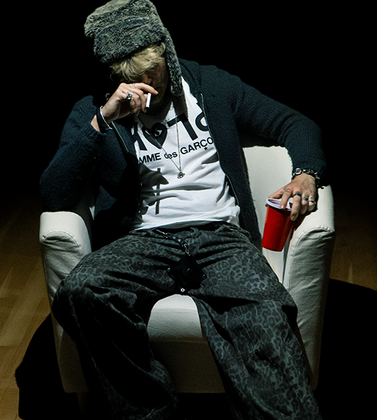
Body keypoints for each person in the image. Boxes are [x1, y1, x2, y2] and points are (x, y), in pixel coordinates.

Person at [40, 1, 326, 418]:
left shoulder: (210, 85)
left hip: (221, 235)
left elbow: (295, 123)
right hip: (144, 239)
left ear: (167, 53)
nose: (146, 85)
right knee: (82, 291)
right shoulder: (95, 108)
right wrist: (102, 121)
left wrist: (306, 175)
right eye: (130, 77)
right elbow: (54, 194)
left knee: (267, 315)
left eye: (151, 72)